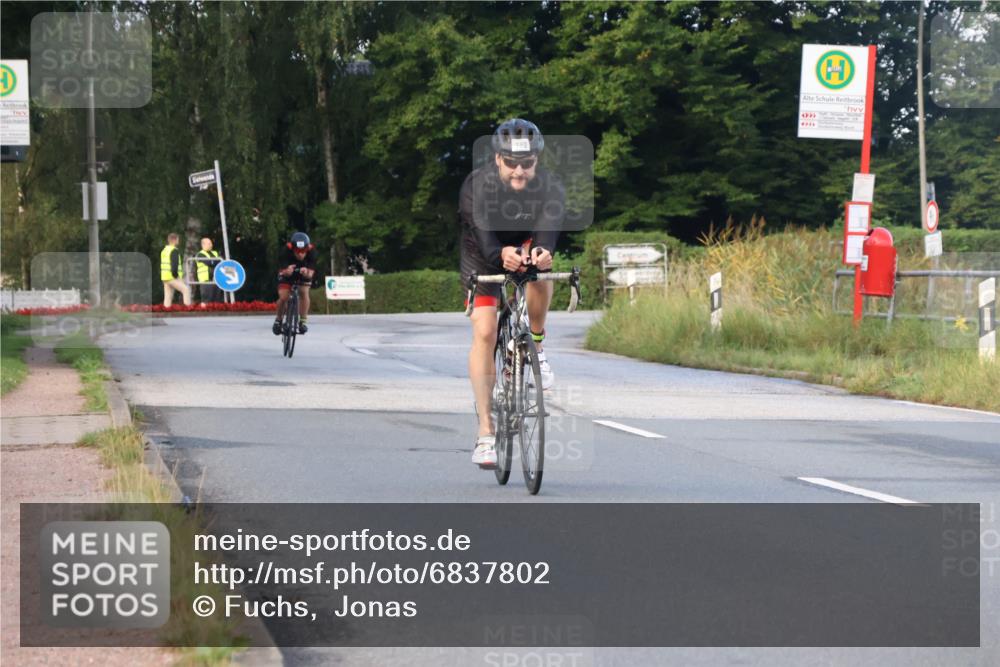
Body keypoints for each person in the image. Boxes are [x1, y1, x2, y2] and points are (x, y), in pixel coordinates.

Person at [460, 118, 565, 468]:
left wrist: (542, 250)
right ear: (497, 160)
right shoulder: (477, 186)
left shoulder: (550, 186)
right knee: (486, 331)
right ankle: (486, 433)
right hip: (481, 253)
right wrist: (499, 256)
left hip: (523, 243)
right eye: (512, 164)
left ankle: (535, 342)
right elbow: (484, 235)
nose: (519, 172)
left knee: (541, 268)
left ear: (537, 161)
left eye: (528, 164)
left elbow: (548, 228)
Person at [273, 232, 316, 335]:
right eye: (297, 252)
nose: (300, 254)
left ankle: (303, 321)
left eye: (303, 252)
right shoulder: (285, 251)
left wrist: (306, 273)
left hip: (303, 274)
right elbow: (281, 269)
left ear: (307, 249)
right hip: (287, 273)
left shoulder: (312, 252)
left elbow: (311, 273)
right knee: (284, 297)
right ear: (292, 249)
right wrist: (286, 271)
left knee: (303, 292)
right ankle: (278, 320)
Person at [160, 233, 191, 308]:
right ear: (174, 240)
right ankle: (188, 309)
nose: (178, 241)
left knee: (168, 296)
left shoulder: (164, 250)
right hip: (172, 276)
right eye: (177, 239)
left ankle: (166, 311)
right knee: (186, 290)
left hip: (165, 277)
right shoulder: (174, 250)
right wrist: (176, 276)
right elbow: (174, 264)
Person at [195, 237, 222, 304]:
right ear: (203, 245)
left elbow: (220, 261)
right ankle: (204, 313)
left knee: (217, 300)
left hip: (216, 279)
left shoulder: (215, 252)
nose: (211, 245)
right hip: (205, 280)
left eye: (211, 243)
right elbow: (210, 263)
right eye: (209, 243)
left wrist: (214, 261)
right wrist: (215, 261)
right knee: (207, 299)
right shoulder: (200, 254)